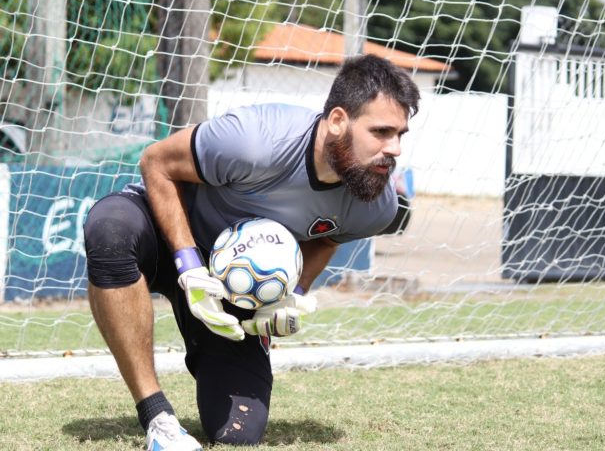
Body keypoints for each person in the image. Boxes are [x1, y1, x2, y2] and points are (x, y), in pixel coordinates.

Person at [83, 54, 420, 450]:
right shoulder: (255, 141)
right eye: (381, 131)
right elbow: (155, 162)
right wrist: (190, 266)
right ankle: (157, 418)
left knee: (239, 434)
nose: (394, 148)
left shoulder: (376, 207)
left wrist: (292, 294)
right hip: (167, 231)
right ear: (338, 121)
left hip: (235, 287)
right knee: (109, 230)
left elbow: (328, 237)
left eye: (401, 134)